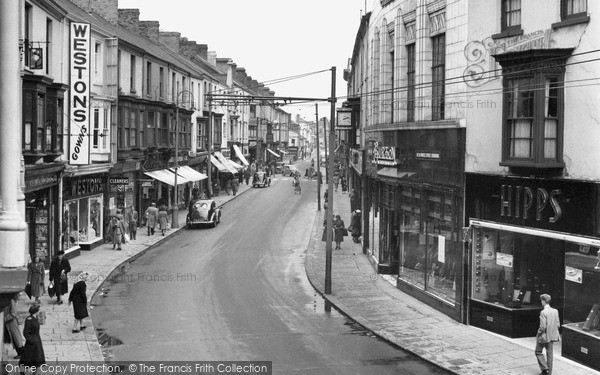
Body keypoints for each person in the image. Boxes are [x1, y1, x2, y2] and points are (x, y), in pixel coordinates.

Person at [535, 294, 561, 375]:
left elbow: (542, 327)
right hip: (552, 336)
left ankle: (544, 368)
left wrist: (538, 334)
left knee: (538, 351)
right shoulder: (555, 311)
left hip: (543, 336)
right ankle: (549, 373)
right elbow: (558, 324)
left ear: (543, 301)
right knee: (550, 354)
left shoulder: (543, 312)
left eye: (541, 301)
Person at [19, 305, 45, 371]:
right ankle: (22, 370)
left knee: (37, 356)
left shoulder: (35, 318)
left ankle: (35, 370)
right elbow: (25, 332)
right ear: (35, 312)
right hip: (32, 341)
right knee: (27, 356)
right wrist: (31, 340)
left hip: (37, 339)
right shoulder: (29, 320)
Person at [4, 293, 24, 359]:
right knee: (13, 339)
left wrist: (5, 319)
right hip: (8, 324)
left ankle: (21, 353)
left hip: (12, 323)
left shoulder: (11, 301)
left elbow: (13, 313)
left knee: (16, 339)